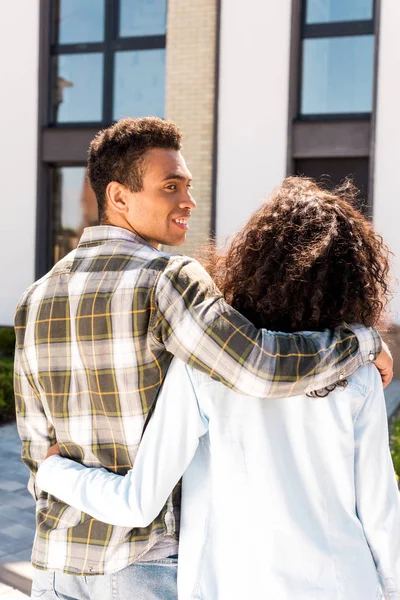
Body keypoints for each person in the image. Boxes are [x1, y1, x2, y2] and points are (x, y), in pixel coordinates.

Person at [14, 118, 391, 600]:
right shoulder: (168, 279)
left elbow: (36, 449)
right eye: (170, 187)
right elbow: (260, 366)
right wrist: (362, 342)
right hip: (142, 563)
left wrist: (57, 477)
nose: (187, 201)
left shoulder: (34, 298)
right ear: (119, 197)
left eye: (187, 186)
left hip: (55, 560)